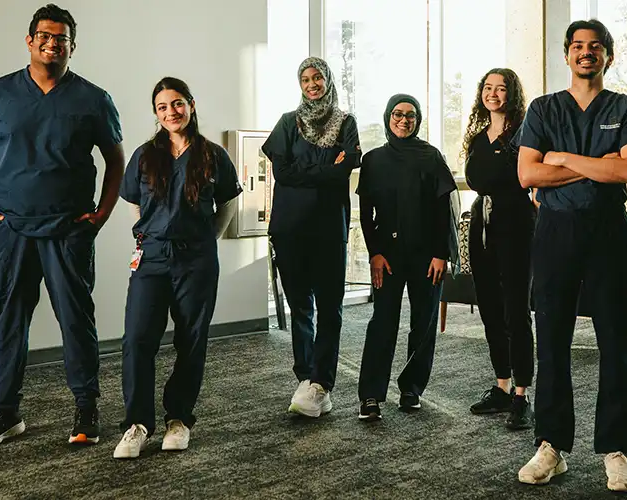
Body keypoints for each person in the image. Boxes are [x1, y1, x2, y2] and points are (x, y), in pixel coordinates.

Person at [0, 3, 124, 448]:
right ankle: (6, 412)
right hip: (11, 229)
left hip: (68, 229)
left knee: (75, 318)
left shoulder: (92, 98)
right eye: (45, 36)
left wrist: (101, 215)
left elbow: (116, 160)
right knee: (10, 320)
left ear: (73, 45)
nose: (53, 43)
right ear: (30, 40)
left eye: (62, 38)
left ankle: (86, 407)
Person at [515, 19, 627, 492]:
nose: (586, 53)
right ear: (567, 55)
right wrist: (599, 166)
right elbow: (527, 176)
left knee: (617, 340)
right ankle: (551, 446)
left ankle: (617, 450)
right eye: (577, 46)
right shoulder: (544, 108)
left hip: (607, 233)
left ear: (608, 56)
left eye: (595, 47)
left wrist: (563, 159)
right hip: (555, 232)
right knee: (551, 339)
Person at [112, 77, 242, 459]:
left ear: (191, 104)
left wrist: (206, 239)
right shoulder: (145, 155)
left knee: (191, 339)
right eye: (163, 107)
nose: (171, 112)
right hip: (151, 257)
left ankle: (179, 419)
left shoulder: (212, 155)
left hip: (197, 260)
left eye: (178, 103)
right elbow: (134, 204)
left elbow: (229, 204)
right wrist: (154, 233)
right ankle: (137, 424)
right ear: (156, 113)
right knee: (137, 339)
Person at [261, 57, 361, 418]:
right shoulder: (288, 123)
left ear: (328, 79)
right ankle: (306, 378)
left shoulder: (346, 123)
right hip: (290, 229)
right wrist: (325, 168)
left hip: (328, 229)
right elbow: (283, 174)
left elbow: (344, 169)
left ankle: (321, 383)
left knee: (330, 307)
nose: (312, 84)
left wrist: (311, 170)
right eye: (306, 78)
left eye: (318, 77)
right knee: (300, 305)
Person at [355, 94, 457, 421]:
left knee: (423, 324)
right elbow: (366, 213)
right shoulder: (373, 160)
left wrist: (442, 255)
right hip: (388, 257)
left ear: (418, 120)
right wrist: (374, 254)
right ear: (387, 117)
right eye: (397, 114)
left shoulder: (431, 157)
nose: (403, 120)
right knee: (382, 323)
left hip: (428, 256)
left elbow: (445, 212)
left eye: (411, 116)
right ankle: (370, 395)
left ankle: (411, 388)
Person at [463, 68, 537, 430]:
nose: (493, 94)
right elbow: (478, 179)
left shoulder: (524, 133)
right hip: (483, 223)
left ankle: (523, 394)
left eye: (501, 88)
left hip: (516, 223)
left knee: (516, 312)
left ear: (512, 94)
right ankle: (502, 386)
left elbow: (521, 178)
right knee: (490, 308)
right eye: (488, 88)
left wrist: (498, 175)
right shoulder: (479, 137)